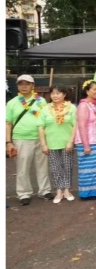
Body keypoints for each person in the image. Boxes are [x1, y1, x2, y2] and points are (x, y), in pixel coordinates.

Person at [6, 74, 52, 205]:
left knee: (42, 166)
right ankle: (24, 193)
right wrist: (8, 142)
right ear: (17, 86)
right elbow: (8, 123)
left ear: (33, 86)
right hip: (21, 138)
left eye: (27, 84)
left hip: (40, 138)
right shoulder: (12, 103)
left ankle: (44, 190)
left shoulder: (41, 101)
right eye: (21, 84)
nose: (24, 86)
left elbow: (46, 118)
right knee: (22, 168)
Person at [38, 85, 77, 204]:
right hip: (52, 142)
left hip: (66, 142)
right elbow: (41, 127)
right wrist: (43, 144)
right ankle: (59, 191)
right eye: (53, 93)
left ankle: (67, 190)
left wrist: (71, 141)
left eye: (58, 93)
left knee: (67, 166)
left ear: (64, 94)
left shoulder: (71, 108)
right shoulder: (45, 109)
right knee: (56, 168)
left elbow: (75, 125)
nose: (55, 96)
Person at [74, 80, 96, 199]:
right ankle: (88, 193)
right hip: (88, 142)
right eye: (94, 89)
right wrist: (86, 145)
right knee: (88, 169)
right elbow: (81, 126)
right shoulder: (83, 106)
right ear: (87, 91)